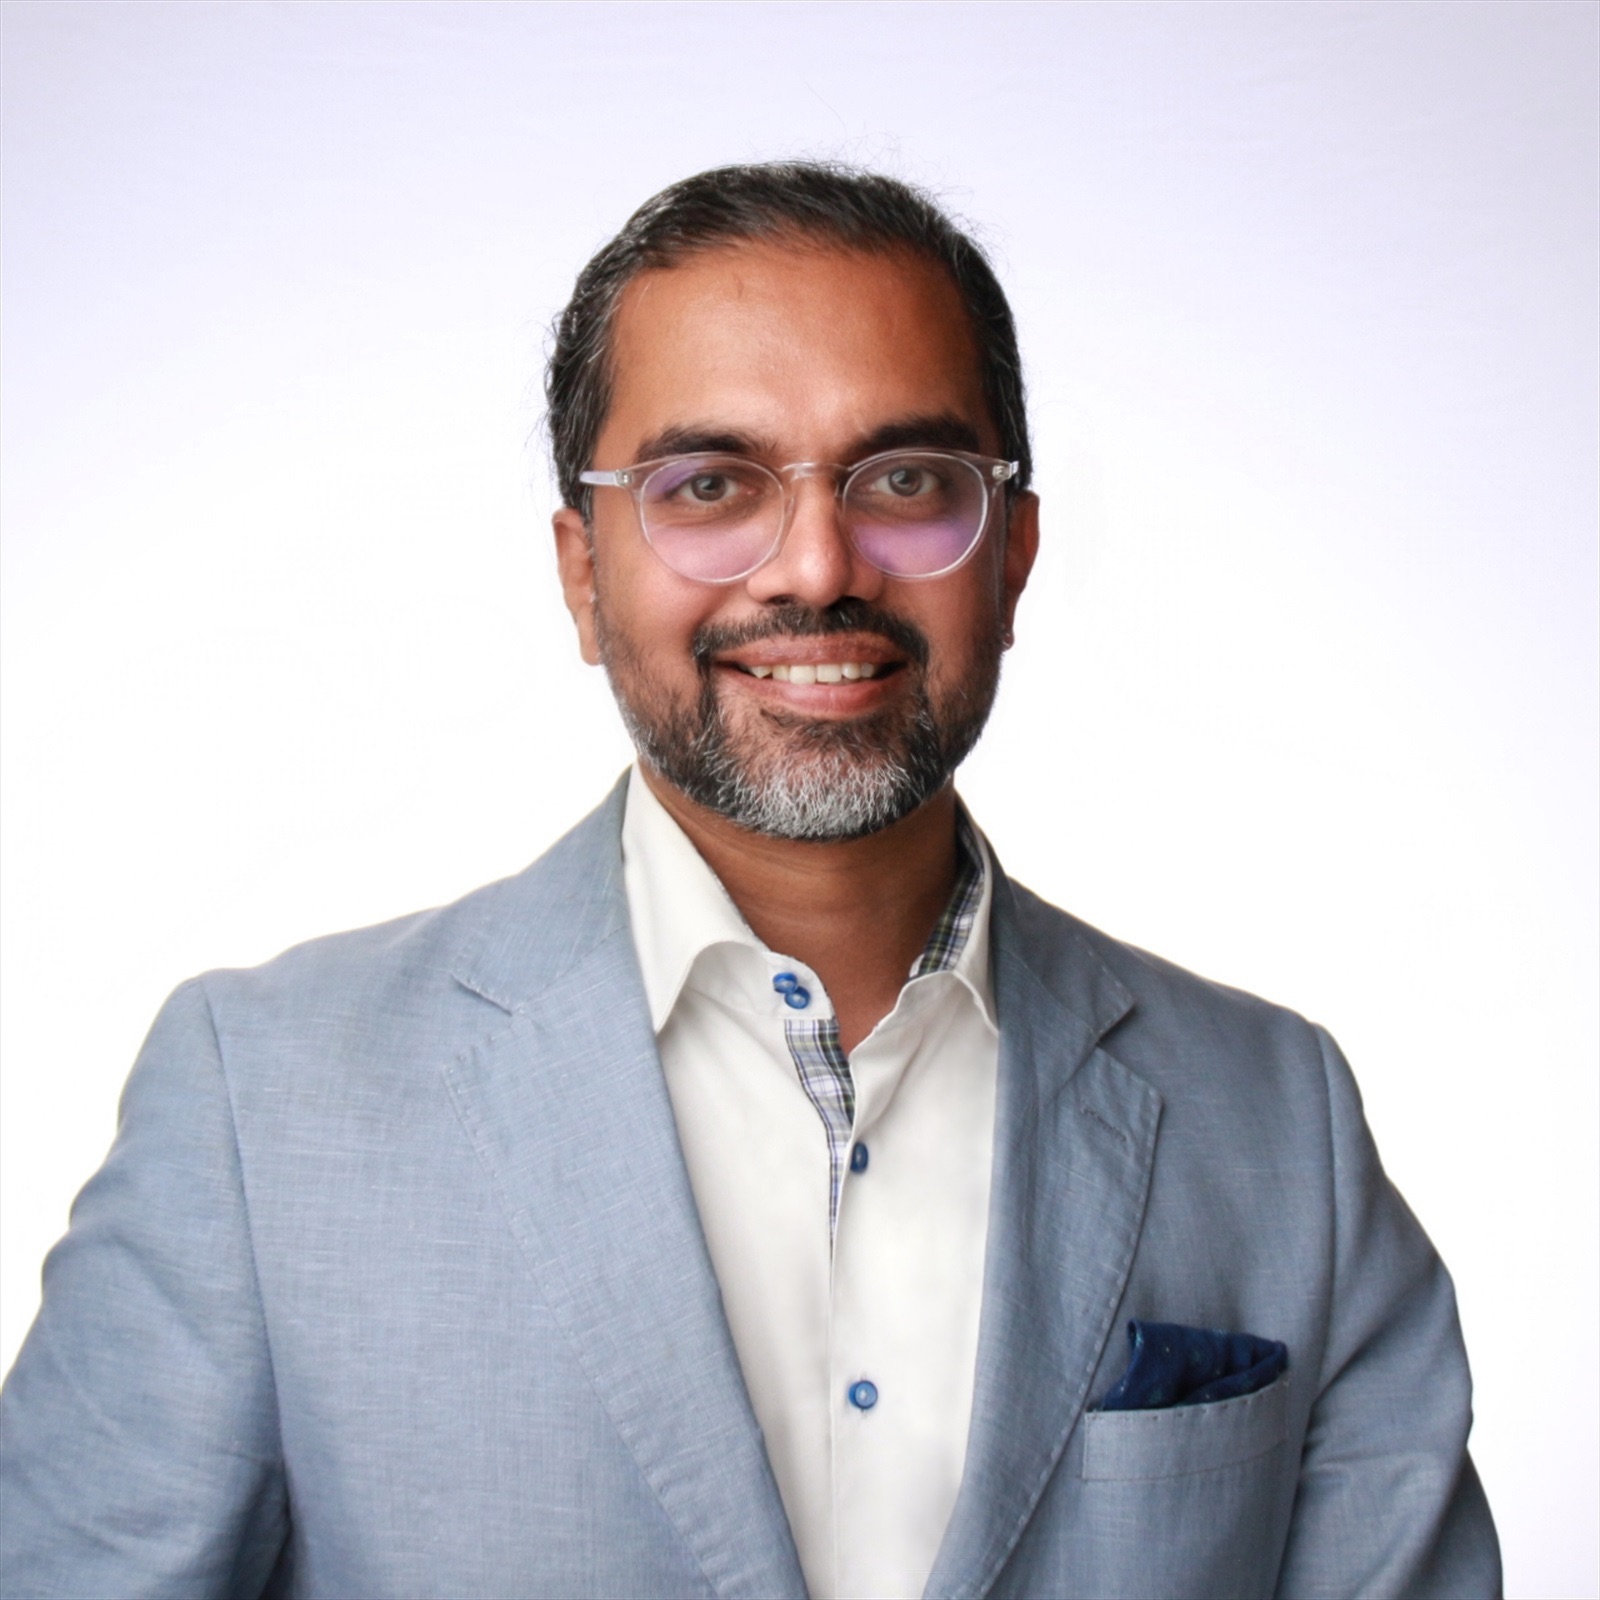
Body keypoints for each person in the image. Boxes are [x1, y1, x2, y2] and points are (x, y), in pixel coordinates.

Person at [0, 162, 1499, 1600]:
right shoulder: (263, 1105)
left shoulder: (1279, 1120)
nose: (816, 566)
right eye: (709, 484)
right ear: (583, 571)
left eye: (905, 477)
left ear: (1015, 553)